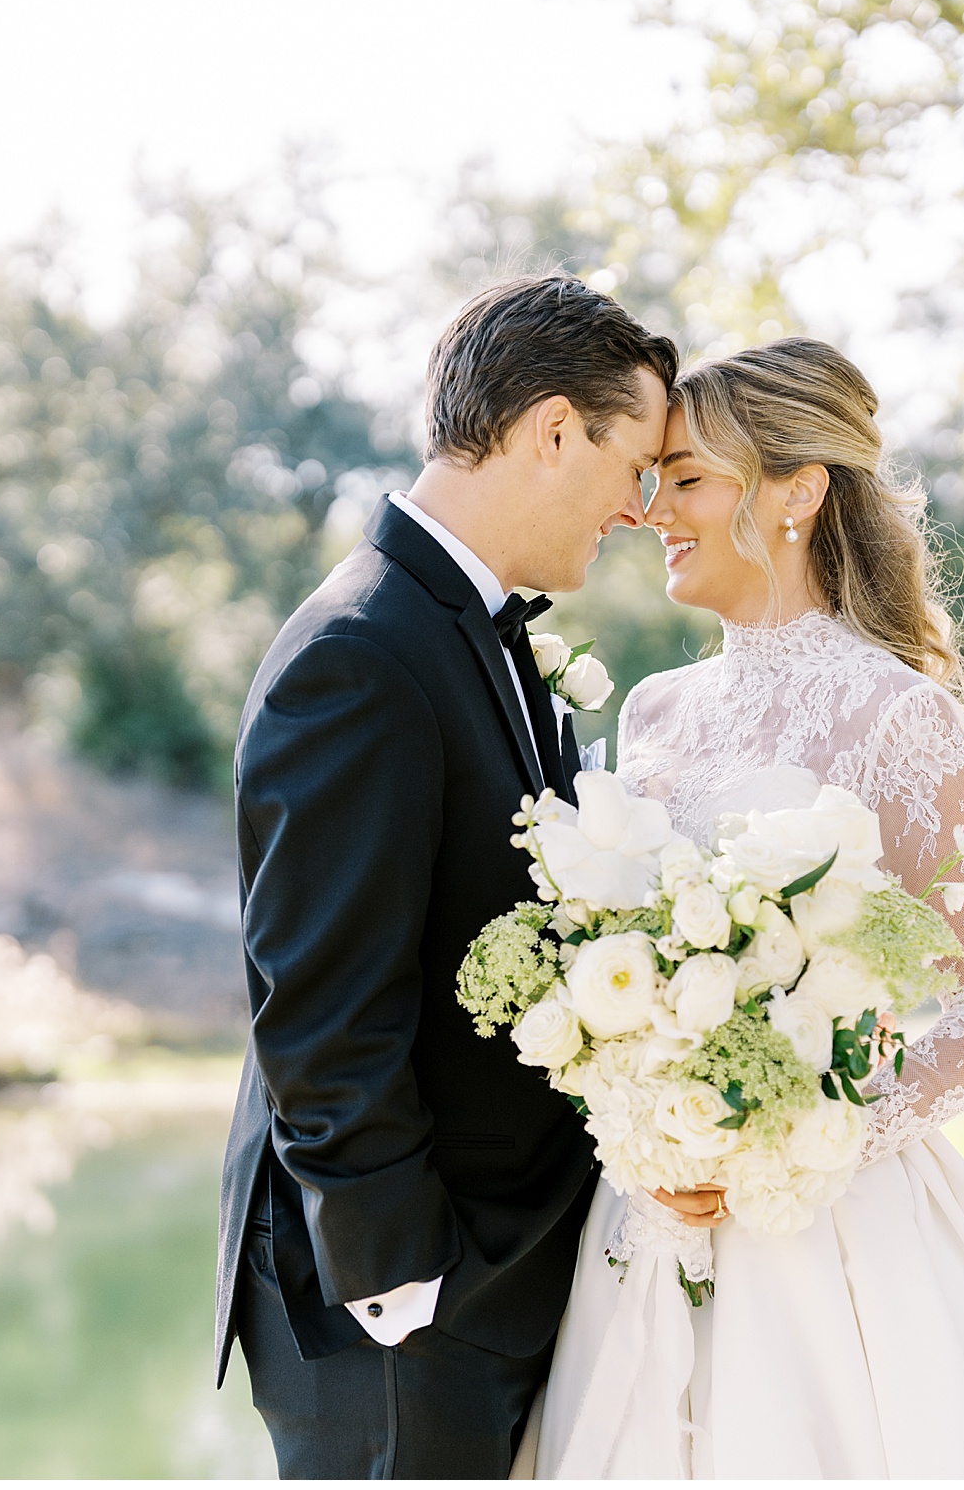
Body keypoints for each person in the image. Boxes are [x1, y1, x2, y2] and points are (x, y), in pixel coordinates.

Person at [531, 338, 964, 1478]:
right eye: (653, 479)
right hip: (652, 1208)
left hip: (826, 1225)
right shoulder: (653, 712)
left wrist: (803, 1141)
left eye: (687, 478)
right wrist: (650, 1115)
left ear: (797, 491)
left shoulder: (895, 716)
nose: (652, 510)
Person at [213, 274, 676, 1478]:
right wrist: (401, 1281)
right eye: (633, 465)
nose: (637, 508)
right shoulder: (361, 652)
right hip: (400, 1312)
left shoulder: (465, 627)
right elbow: (319, 995)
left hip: (489, 1273)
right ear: (554, 430)